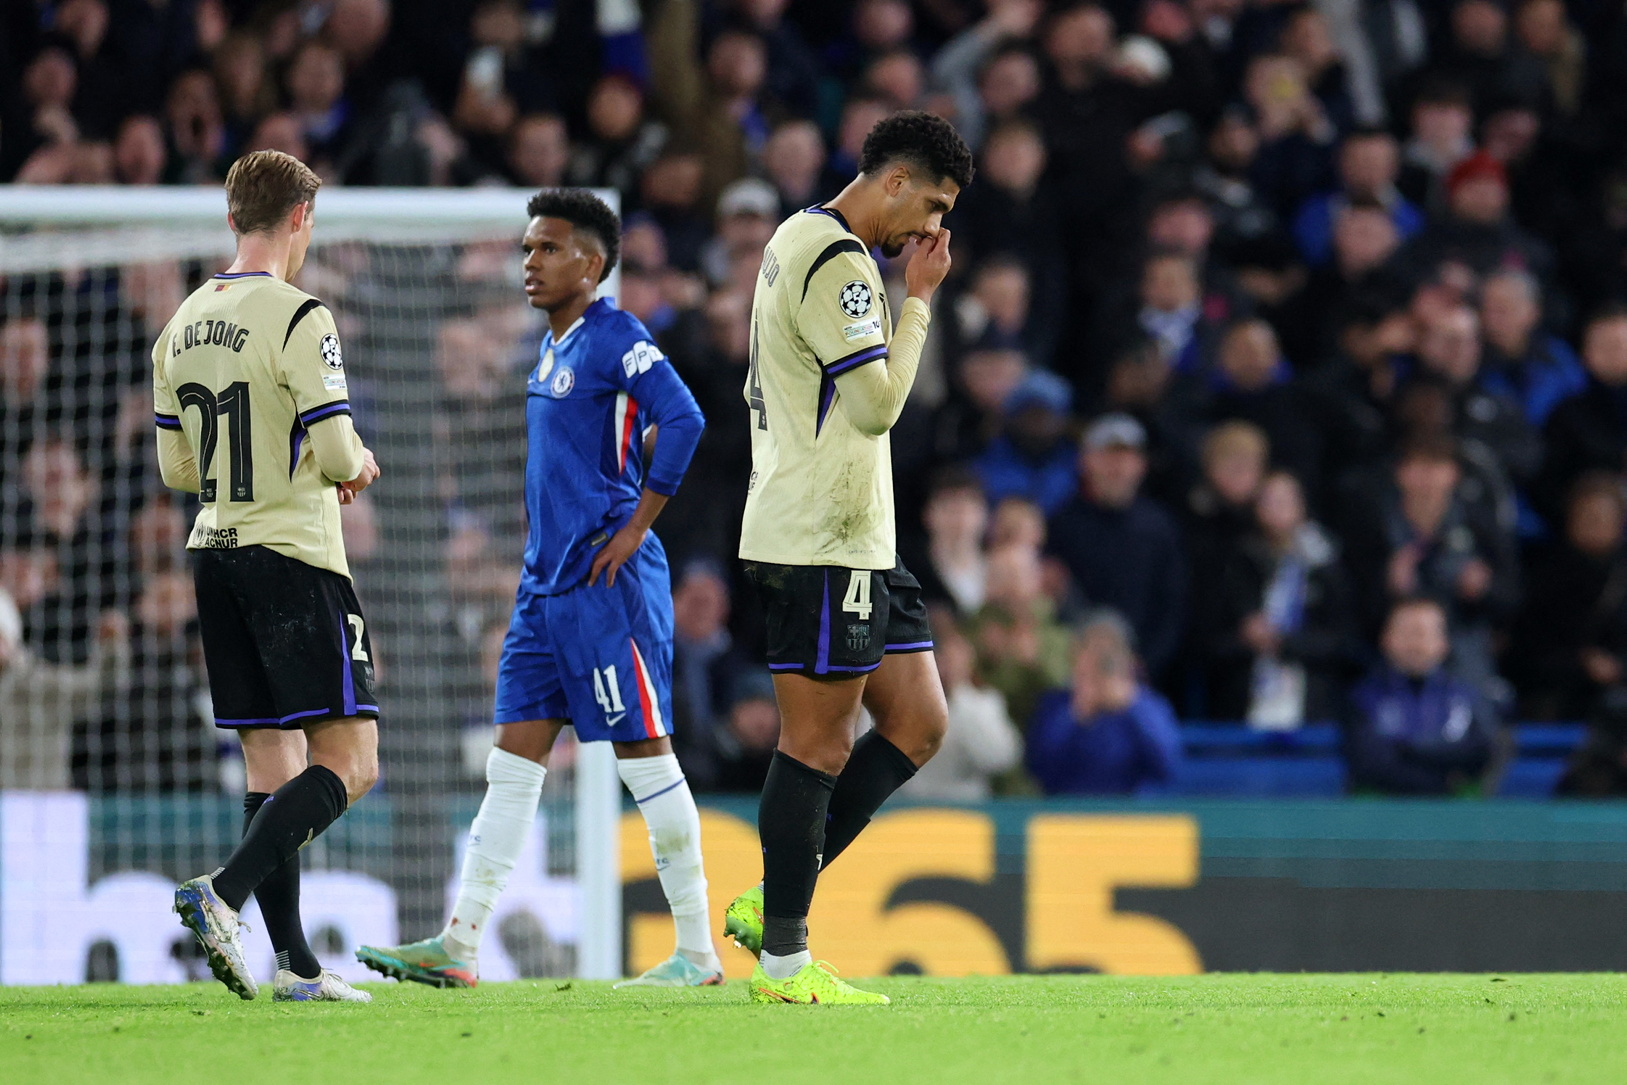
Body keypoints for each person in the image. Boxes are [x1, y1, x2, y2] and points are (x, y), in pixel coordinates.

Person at [357, 190, 720, 990]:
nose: (529, 262)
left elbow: (685, 418)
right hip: (544, 586)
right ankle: (460, 943)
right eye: (526, 248)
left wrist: (633, 529)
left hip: (605, 580)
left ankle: (696, 951)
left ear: (589, 265)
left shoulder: (615, 336)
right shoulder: (550, 349)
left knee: (643, 752)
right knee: (511, 764)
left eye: (546, 249)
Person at [727, 110, 973, 1005]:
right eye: (931, 204)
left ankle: (776, 891)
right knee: (818, 744)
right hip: (819, 539)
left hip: (857, 533)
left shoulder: (798, 235)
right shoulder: (840, 263)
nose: (931, 230)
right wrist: (920, 302)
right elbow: (874, 407)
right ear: (894, 180)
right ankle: (786, 960)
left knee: (919, 722)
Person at [161, 151, 382, 1003]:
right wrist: (354, 458)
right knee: (351, 761)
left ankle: (294, 964)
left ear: (231, 218)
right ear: (299, 220)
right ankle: (221, 893)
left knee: (272, 761)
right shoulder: (301, 316)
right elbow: (332, 451)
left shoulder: (178, 322)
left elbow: (179, 464)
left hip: (214, 550)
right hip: (290, 552)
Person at [1343, 597, 1500, 796]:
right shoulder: (1364, 697)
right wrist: (1441, 778)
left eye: (1424, 633)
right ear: (1386, 639)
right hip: (1381, 817)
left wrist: (1408, 749)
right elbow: (1371, 764)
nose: (1416, 644)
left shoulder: (1464, 696)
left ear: (1443, 642)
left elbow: (1479, 754)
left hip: (1452, 815)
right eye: (1407, 633)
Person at [1025, 611, 1182, 795]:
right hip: (1066, 814)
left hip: (1127, 814)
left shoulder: (1145, 705)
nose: (1101, 659)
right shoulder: (1057, 703)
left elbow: (1167, 766)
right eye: (1093, 648)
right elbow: (1037, 766)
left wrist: (1132, 706)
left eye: (1111, 648)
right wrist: (1076, 712)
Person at [899, 611, 1021, 802]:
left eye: (953, 658)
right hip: (908, 808)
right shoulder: (899, 702)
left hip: (965, 807)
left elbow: (999, 759)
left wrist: (960, 692)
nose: (944, 665)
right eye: (940, 657)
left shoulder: (984, 703)